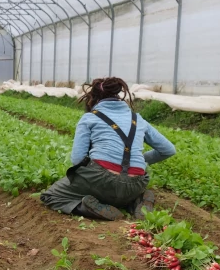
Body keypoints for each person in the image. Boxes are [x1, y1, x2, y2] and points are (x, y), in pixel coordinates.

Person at [39, 77, 175, 220]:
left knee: (51, 196)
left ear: (93, 99)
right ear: (118, 96)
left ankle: (86, 206)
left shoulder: (89, 118)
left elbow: (77, 159)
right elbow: (168, 149)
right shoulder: (138, 119)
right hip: (136, 183)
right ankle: (137, 202)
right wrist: (141, 161)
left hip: (100, 180)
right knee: (122, 191)